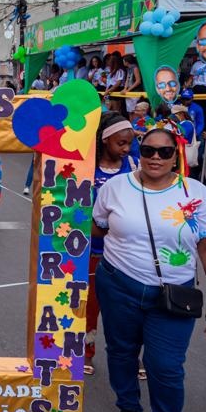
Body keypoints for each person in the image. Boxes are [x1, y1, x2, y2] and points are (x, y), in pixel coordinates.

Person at [91, 127, 206, 412]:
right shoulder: (114, 188)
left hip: (174, 294)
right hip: (119, 285)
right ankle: (128, 409)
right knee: (122, 352)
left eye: (164, 152)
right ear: (139, 152)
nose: (155, 157)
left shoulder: (195, 193)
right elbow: (98, 227)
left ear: (175, 156)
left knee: (166, 365)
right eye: (148, 150)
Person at [86, 114, 137, 377]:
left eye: (129, 143)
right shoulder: (87, 166)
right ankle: (86, 351)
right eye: (121, 143)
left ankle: (131, 356)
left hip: (126, 250)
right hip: (92, 248)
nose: (126, 148)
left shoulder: (134, 165)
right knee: (89, 304)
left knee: (126, 308)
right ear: (105, 140)